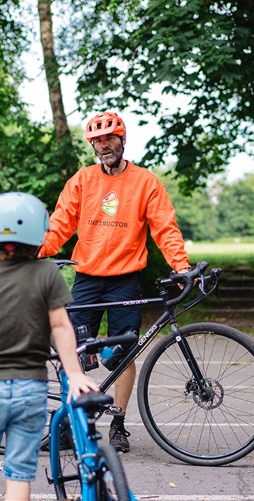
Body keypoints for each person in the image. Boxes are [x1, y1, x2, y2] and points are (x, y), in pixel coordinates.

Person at [38, 111, 191, 452]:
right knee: (72, 351)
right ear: (93, 145)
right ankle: (70, 421)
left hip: (125, 280)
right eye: (98, 140)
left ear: (123, 140)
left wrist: (180, 266)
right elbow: (61, 225)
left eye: (110, 138)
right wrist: (35, 251)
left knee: (124, 353)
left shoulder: (146, 183)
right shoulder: (82, 181)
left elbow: (165, 229)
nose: (104, 145)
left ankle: (118, 424)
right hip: (87, 276)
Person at [0, 192, 99, 501]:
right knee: (18, 474)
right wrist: (74, 374)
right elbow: (61, 327)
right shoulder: (48, 275)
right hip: (30, 390)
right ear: (38, 236)